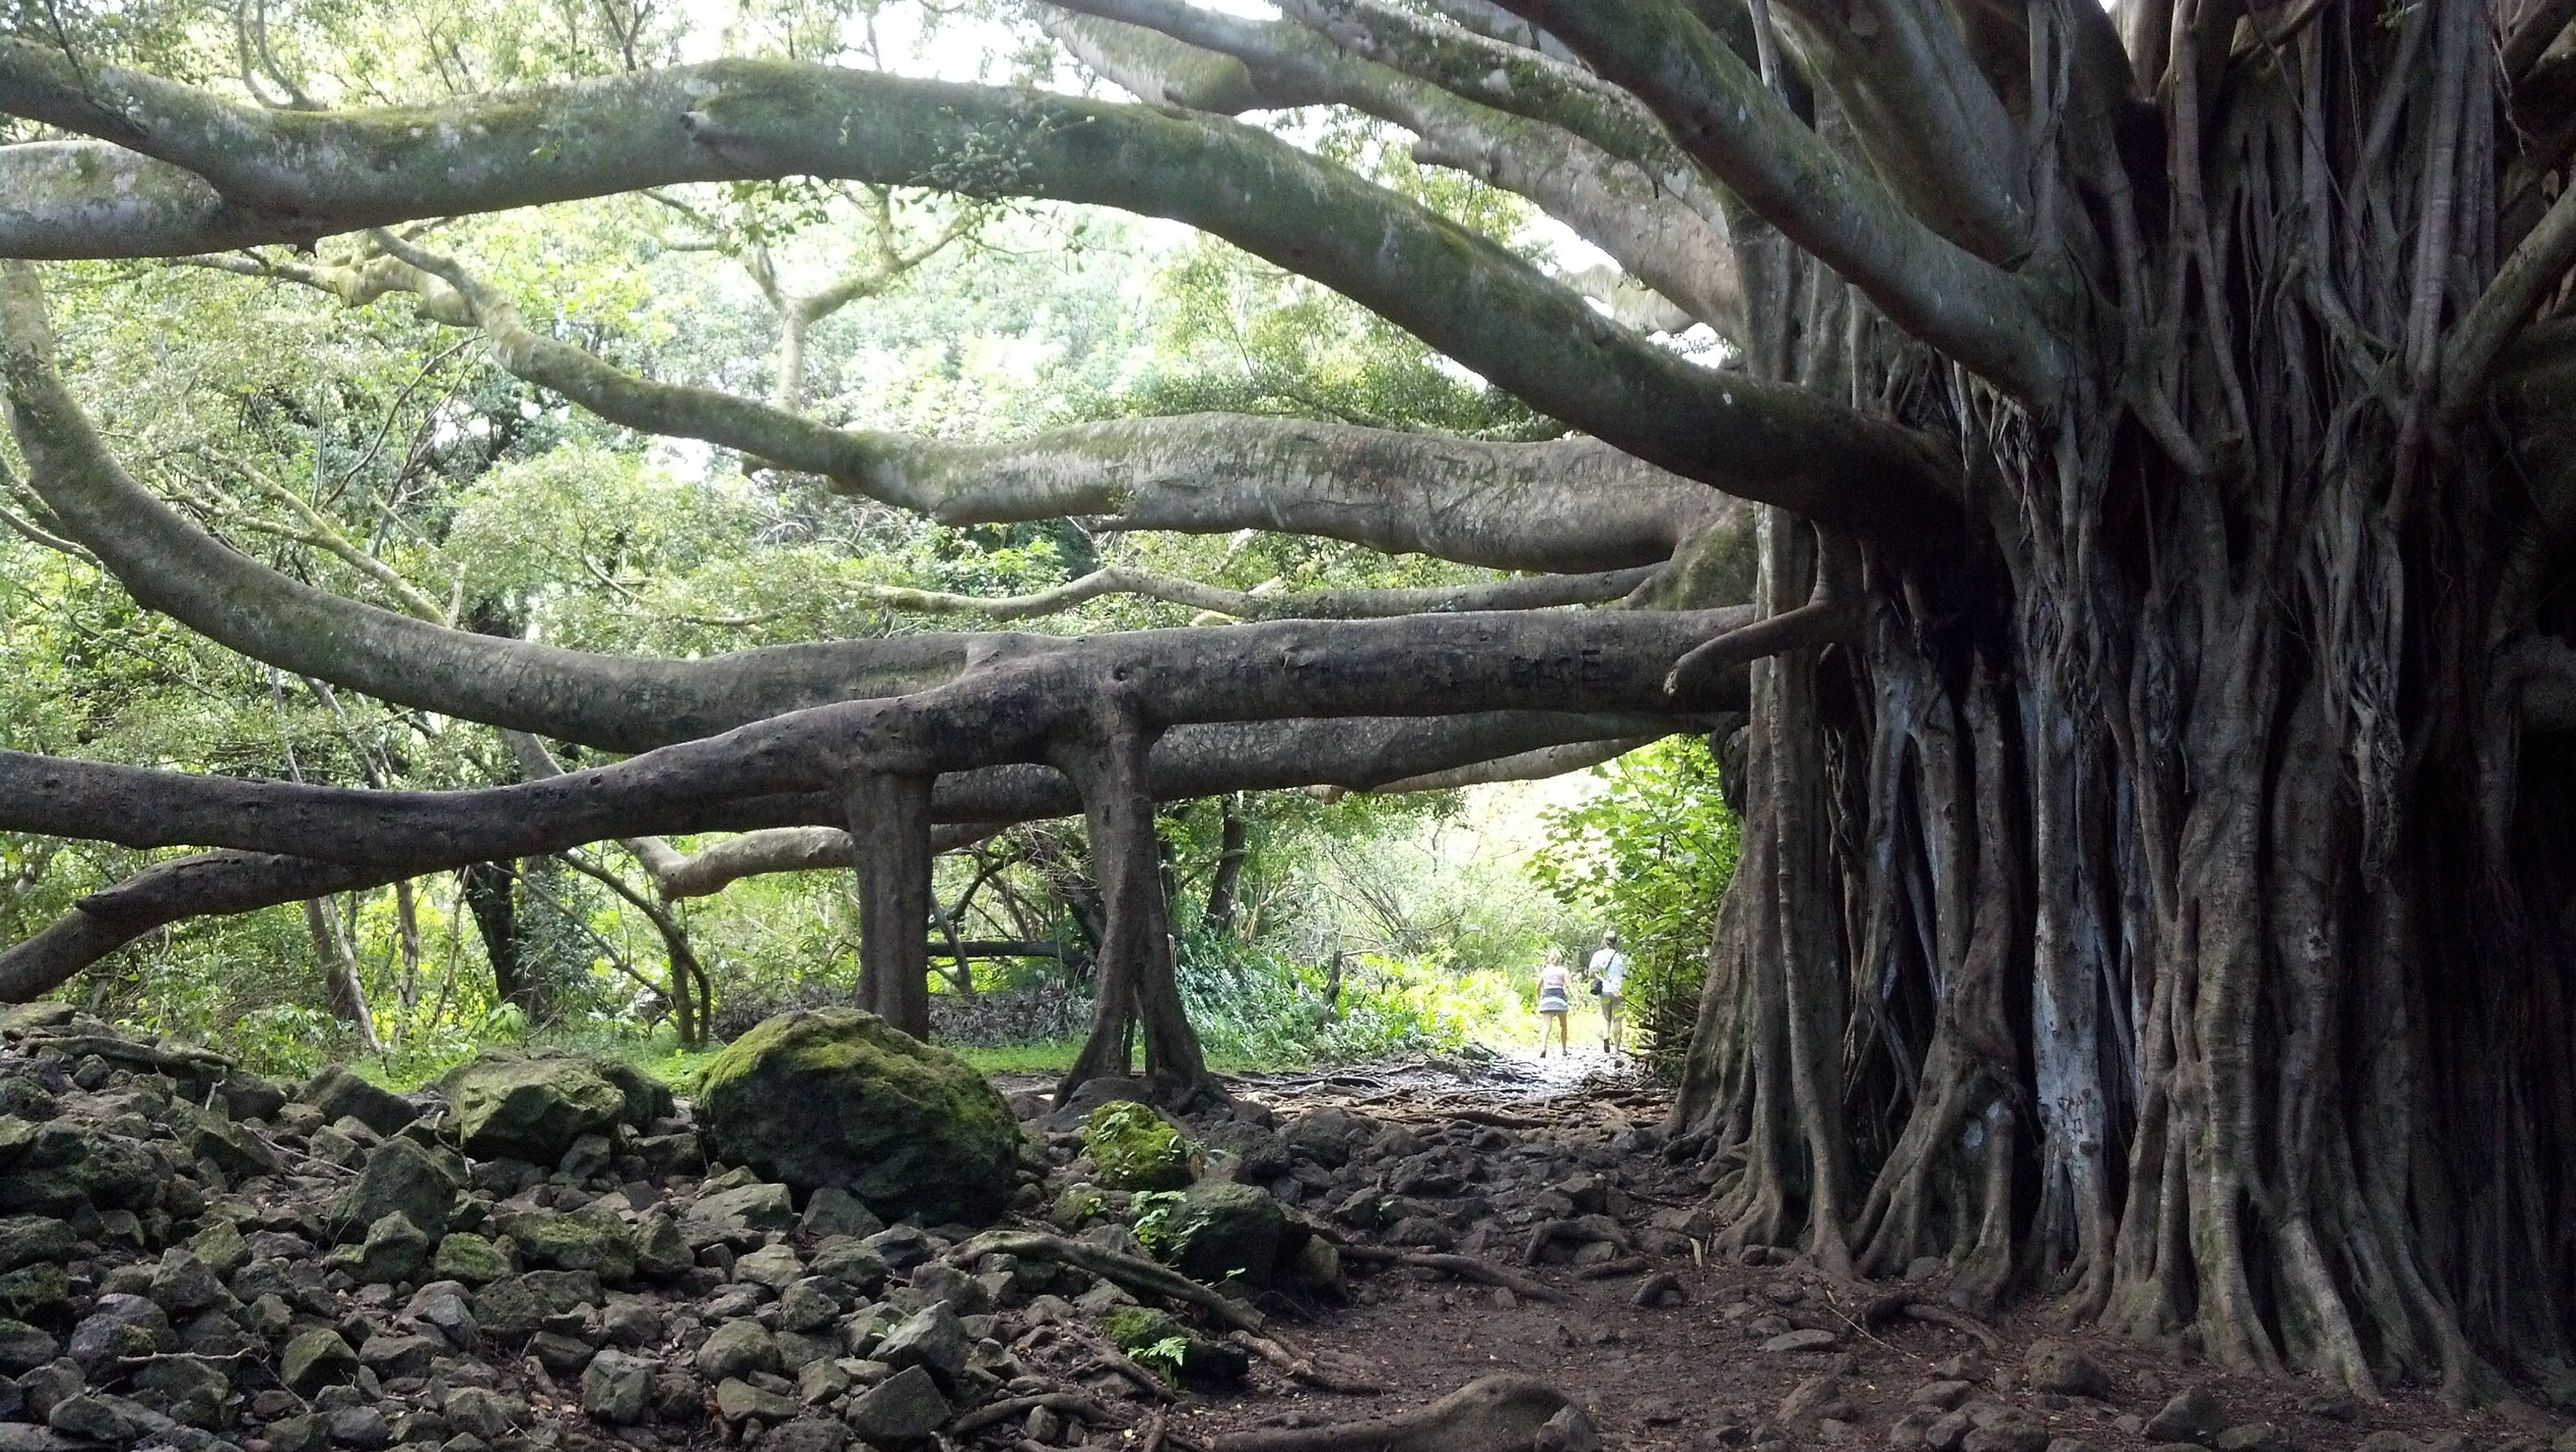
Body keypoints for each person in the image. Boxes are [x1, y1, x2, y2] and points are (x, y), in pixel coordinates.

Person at [1590, 930, 1630, 1057]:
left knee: (1606, 1016)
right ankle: (1617, 1050)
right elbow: (1628, 976)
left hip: (1604, 991)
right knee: (1617, 1019)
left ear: (1605, 941)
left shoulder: (1597, 955)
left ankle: (1606, 1036)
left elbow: (1591, 974)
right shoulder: (1622, 957)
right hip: (1618, 991)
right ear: (1616, 942)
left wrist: (1599, 977)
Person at [1535, 945, 1572, 1057]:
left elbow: (1538, 987)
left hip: (1547, 998)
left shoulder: (1545, 971)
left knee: (1546, 1025)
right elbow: (1569, 986)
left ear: (1549, 959)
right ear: (1560, 959)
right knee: (1563, 1025)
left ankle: (1543, 1047)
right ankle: (1564, 1049)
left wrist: (1540, 997)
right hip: (1560, 998)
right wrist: (1574, 997)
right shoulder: (1563, 971)